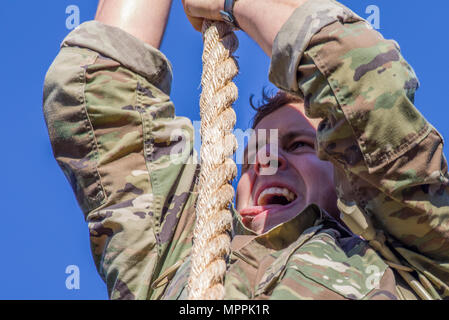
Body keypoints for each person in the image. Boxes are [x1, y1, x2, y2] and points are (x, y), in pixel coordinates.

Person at [42, 0, 449, 300]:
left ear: (348, 178)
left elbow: (365, 83)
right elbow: (95, 96)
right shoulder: (170, 266)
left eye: (300, 144)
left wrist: (234, 3)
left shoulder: (413, 269)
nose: (269, 162)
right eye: (253, 156)